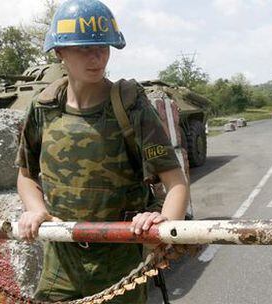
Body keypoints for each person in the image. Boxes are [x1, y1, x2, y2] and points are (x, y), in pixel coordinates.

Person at [15, 0, 189, 302]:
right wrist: (35, 208)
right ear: (60, 52)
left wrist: (162, 227)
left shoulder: (130, 105)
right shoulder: (43, 108)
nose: (96, 57)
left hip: (120, 261)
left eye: (103, 48)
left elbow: (176, 183)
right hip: (61, 262)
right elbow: (26, 176)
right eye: (83, 48)